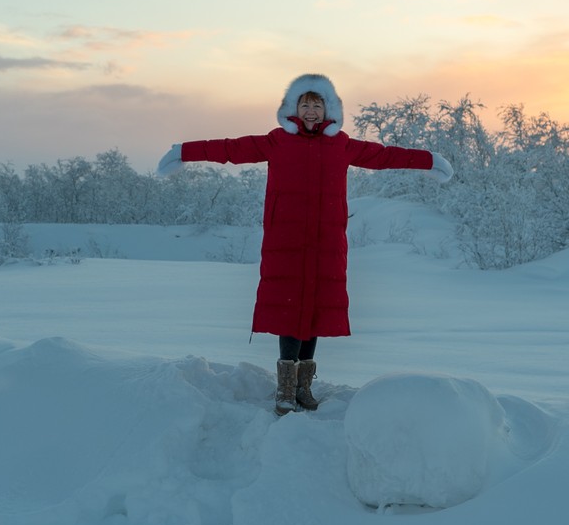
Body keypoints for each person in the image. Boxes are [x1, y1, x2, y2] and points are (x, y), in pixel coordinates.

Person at [157, 73, 453, 415]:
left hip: (326, 243)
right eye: (305, 104)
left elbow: (384, 156)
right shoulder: (276, 142)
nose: (311, 111)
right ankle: (285, 388)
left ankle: (303, 387)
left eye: (317, 105)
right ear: (292, 108)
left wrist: (429, 160)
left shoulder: (341, 144)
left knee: (315, 312)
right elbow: (229, 148)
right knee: (289, 309)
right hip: (287, 241)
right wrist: (184, 152)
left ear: (329, 110)